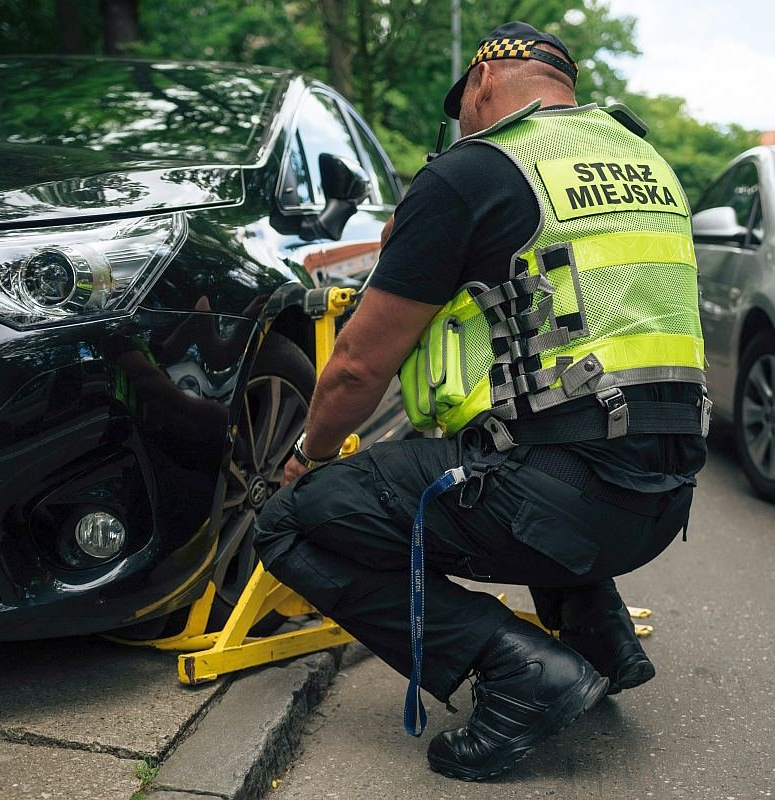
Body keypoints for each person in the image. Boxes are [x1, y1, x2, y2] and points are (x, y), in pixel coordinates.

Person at [253, 21, 708, 781]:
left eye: (461, 103)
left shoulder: (475, 170)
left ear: (484, 82)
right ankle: (599, 637)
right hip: (664, 503)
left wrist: (307, 458)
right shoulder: (647, 162)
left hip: (560, 508)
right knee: (551, 429)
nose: (461, 121)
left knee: (292, 523)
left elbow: (358, 369)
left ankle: (521, 671)